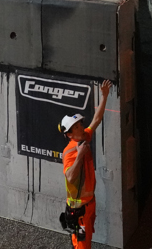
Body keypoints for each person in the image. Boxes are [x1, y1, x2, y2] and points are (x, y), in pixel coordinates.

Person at [60, 79, 113, 249]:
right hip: (79, 210)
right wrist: (80, 156)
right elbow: (69, 176)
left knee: (85, 242)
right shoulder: (70, 152)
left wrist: (104, 96)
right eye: (76, 127)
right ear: (69, 134)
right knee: (82, 246)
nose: (82, 127)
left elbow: (96, 120)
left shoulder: (83, 139)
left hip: (89, 205)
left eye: (80, 124)